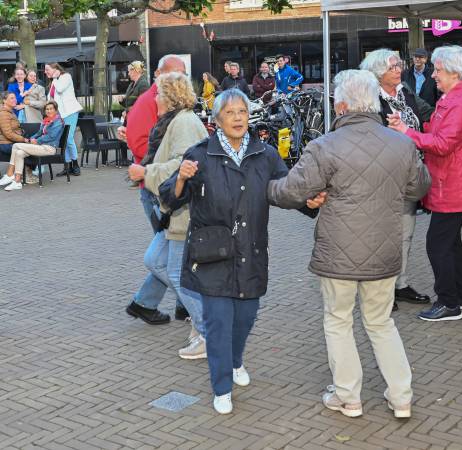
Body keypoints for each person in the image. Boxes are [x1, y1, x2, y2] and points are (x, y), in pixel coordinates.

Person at [268, 69, 430, 419]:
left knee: (338, 320)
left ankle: (348, 396)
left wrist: (266, 186)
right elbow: (419, 188)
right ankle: (401, 396)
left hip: (338, 252)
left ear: (340, 105)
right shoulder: (402, 144)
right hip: (384, 249)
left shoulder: (324, 147)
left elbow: (290, 191)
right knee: (381, 321)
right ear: (373, 103)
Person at [159, 89, 323, 415]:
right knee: (219, 322)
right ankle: (222, 386)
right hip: (211, 254)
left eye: (242, 112)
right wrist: (181, 178)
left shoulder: (264, 153)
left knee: (245, 317)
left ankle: (235, 361)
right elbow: (169, 198)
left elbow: (284, 187)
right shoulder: (201, 154)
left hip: (251, 249)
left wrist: (308, 201)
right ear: (217, 119)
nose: (237, 118)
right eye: (230, 113)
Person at [388, 45, 462, 322]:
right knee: (451, 242)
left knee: (437, 244)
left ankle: (449, 303)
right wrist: (412, 128)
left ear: (455, 73)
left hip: (454, 183)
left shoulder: (458, 102)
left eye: (438, 70)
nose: (434, 75)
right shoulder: (454, 98)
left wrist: (405, 132)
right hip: (454, 180)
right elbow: (438, 131)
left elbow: (443, 144)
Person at [126, 73, 208, 357]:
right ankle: (204, 323)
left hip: (183, 211)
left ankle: (209, 329)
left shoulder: (184, 122)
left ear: (170, 97)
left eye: (159, 94)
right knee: (154, 261)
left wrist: (145, 172)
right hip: (173, 213)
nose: (156, 99)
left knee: (175, 271)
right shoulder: (175, 121)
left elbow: (183, 165)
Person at [360, 48, 433, 309]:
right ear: (378, 72)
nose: (398, 69)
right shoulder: (369, 99)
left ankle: (400, 284)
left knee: (406, 232)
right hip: (382, 177)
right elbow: (364, 136)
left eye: (398, 65)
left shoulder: (406, 92)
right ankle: (381, 290)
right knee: (381, 235)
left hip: (408, 173)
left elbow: (429, 114)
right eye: (392, 67)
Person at [122, 54, 190, 323]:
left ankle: (145, 303)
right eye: (176, 74)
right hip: (158, 191)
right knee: (169, 255)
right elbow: (140, 145)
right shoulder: (150, 101)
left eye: (183, 74)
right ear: (159, 75)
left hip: (165, 186)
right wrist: (151, 171)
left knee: (165, 254)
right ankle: (190, 304)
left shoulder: (173, 105)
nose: (181, 79)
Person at [0, 101, 64, 191]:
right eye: (47, 109)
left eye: (51, 109)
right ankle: (17, 182)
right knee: (19, 152)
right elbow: (38, 133)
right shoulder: (46, 120)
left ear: (56, 110)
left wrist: (36, 141)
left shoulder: (58, 122)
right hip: (40, 147)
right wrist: (31, 139)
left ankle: (10, 174)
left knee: (15, 146)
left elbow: (51, 136)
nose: (49, 111)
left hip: (49, 148)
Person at [47, 63, 83, 177]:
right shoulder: (54, 81)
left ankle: (76, 165)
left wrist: (55, 78)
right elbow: (50, 98)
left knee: (68, 139)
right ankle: (67, 167)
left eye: (47, 69)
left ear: (55, 69)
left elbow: (61, 89)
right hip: (61, 115)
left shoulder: (66, 76)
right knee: (64, 140)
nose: (45, 72)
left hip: (70, 112)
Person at [0, 92, 28, 157]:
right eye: (12, 98)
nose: (15, 100)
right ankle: (24, 167)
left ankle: (23, 167)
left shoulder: (10, 112)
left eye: (15, 98)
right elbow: (8, 134)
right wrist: (23, 139)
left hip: (12, 142)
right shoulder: (3, 114)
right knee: (29, 150)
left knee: (33, 147)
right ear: (4, 101)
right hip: (6, 144)